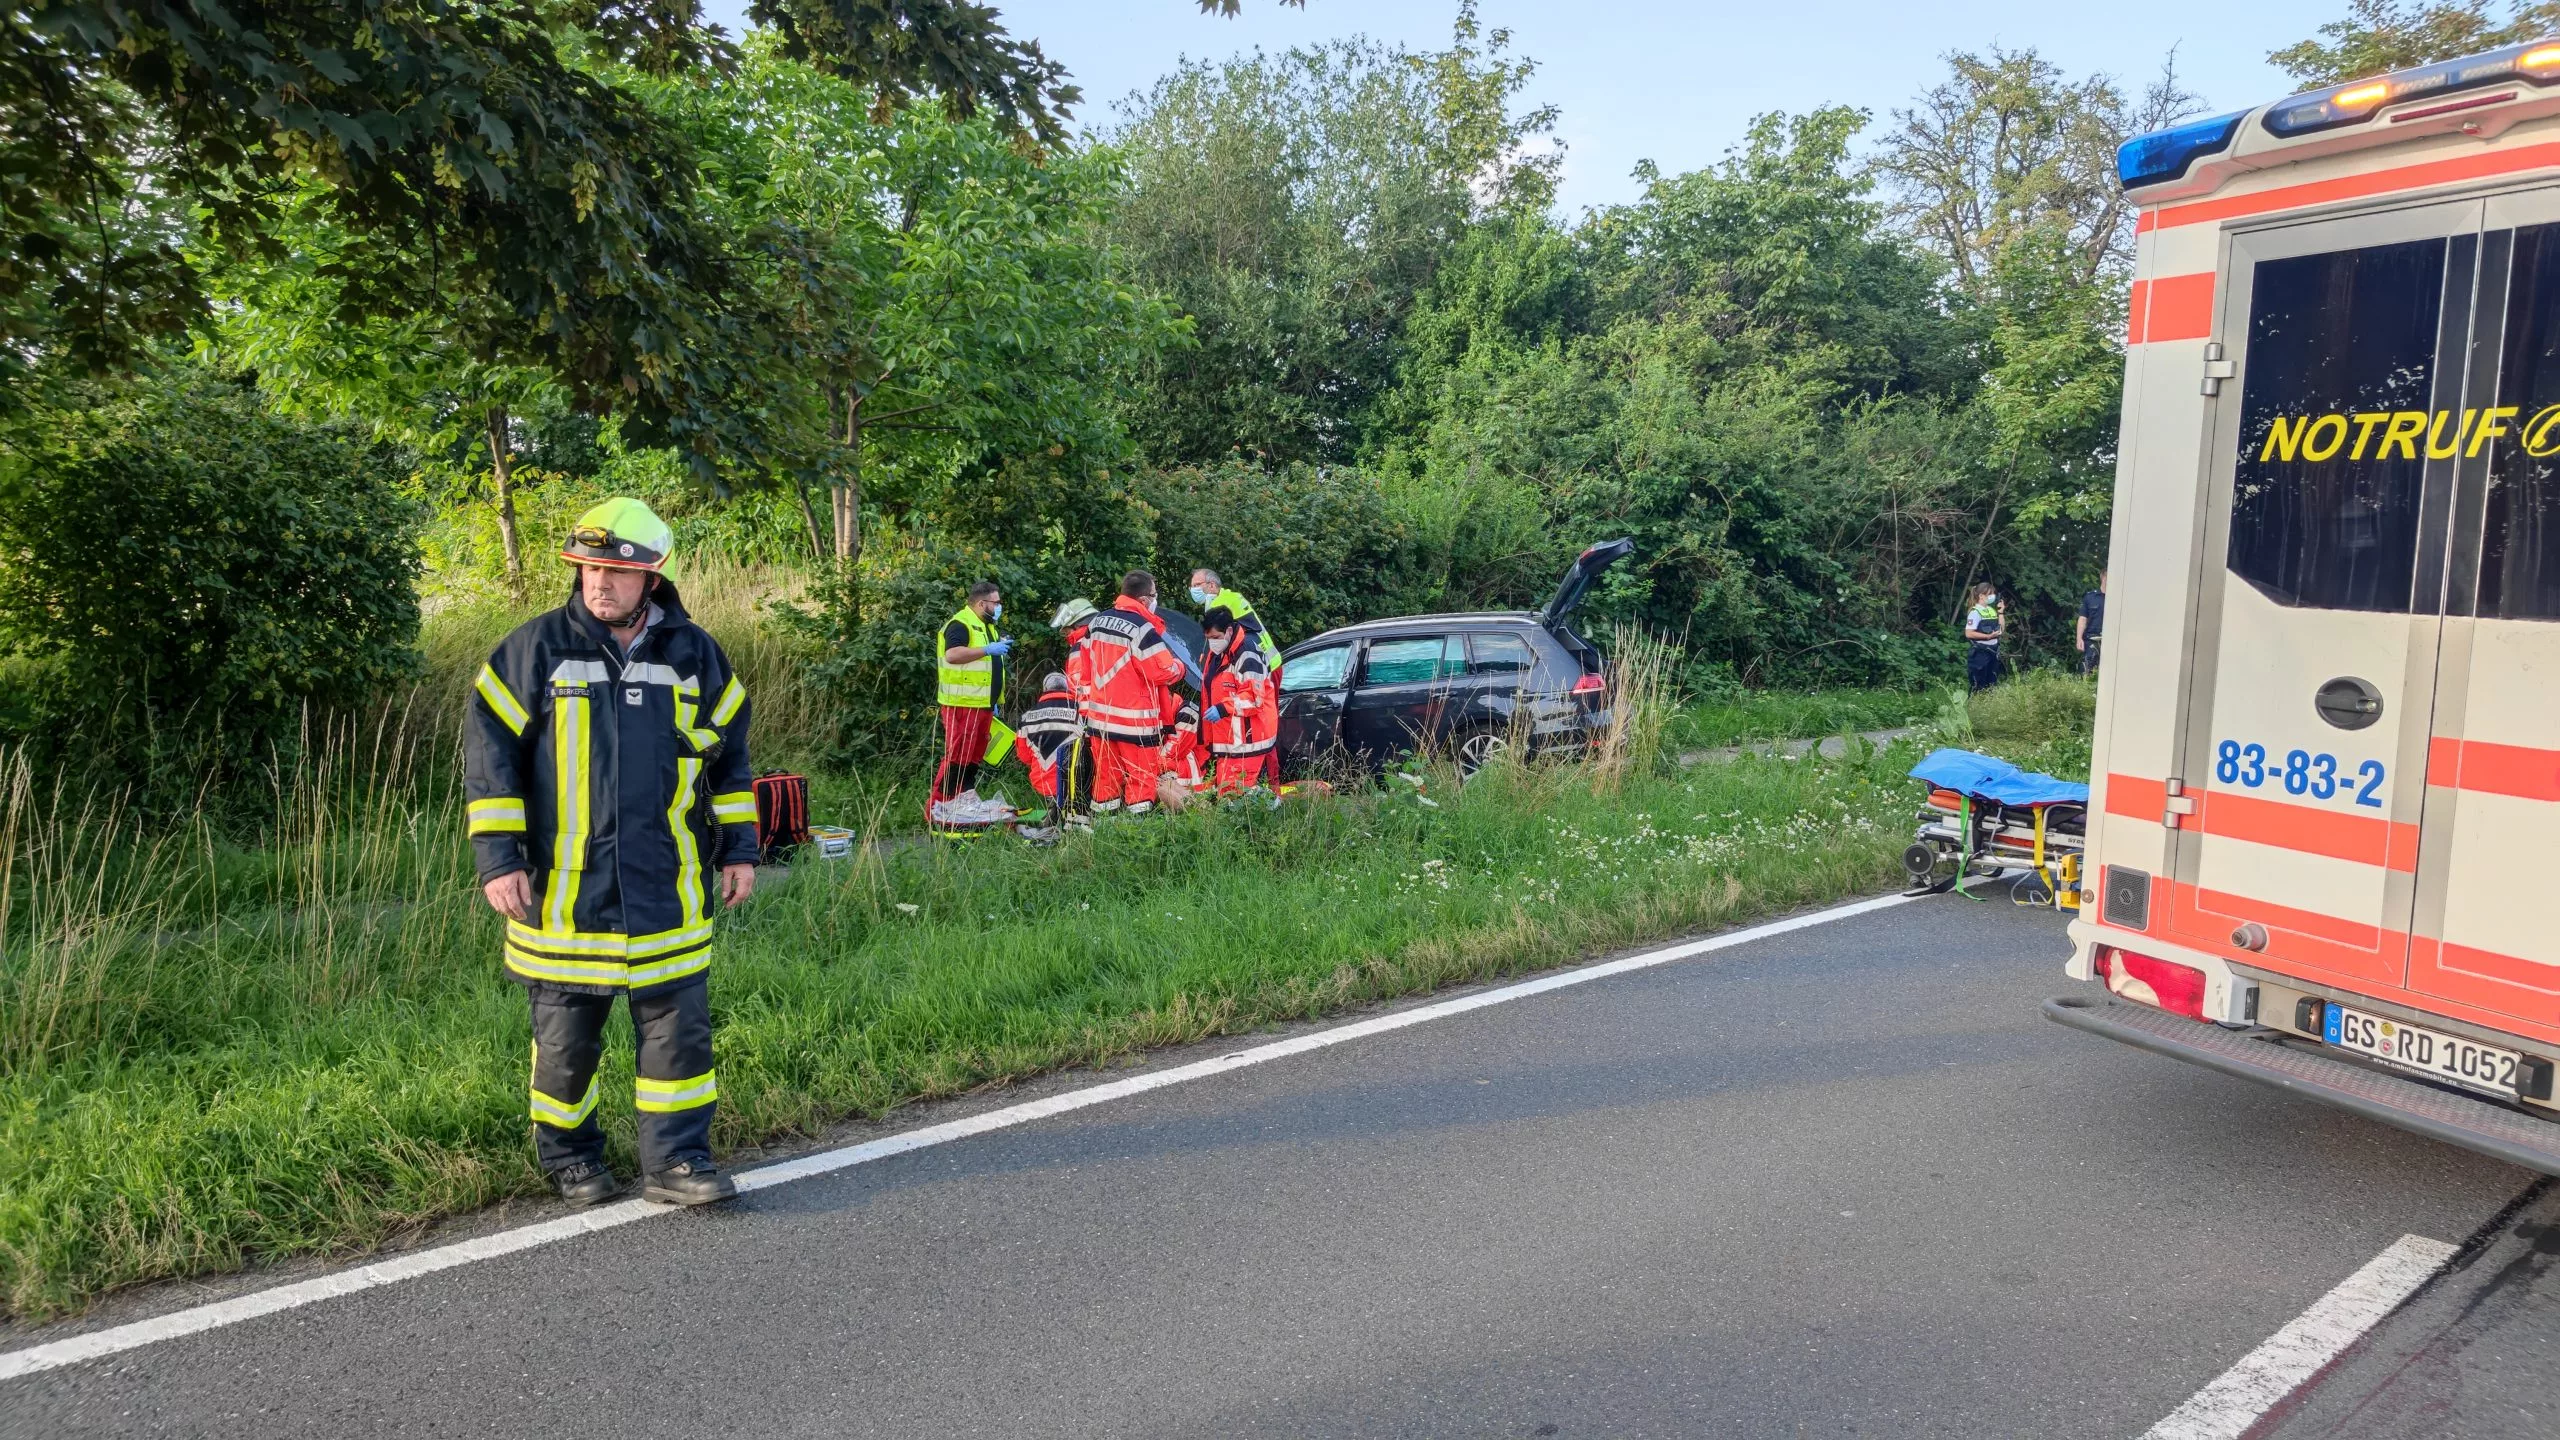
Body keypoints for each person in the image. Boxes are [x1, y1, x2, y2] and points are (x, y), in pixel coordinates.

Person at [466, 498, 757, 1208]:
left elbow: (730, 761)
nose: (600, 583)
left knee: (678, 1039)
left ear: (651, 578)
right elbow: (490, 761)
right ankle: (571, 1159)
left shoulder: (695, 655)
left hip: (668, 887)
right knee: (565, 1045)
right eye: (589, 569)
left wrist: (740, 849)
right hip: (564, 894)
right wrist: (499, 858)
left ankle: (678, 1162)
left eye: (618, 572)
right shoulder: (533, 651)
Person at [1068, 571, 1185, 816]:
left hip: (1100, 723)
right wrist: (1179, 666)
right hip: (1136, 725)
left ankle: (1105, 825)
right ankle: (1137, 828)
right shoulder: (1142, 629)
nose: (1155, 600)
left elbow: (1085, 673)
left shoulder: (1096, 623)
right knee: (1141, 779)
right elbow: (1163, 673)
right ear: (1143, 600)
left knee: (1105, 779)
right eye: (1154, 595)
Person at [933, 580, 1013, 829]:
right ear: (981, 603)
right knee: (958, 754)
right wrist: (987, 650)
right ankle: (939, 803)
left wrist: (994, 700)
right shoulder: (960, 624)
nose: (999, 607)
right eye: (995, 603)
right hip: (962, 703)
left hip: (983, 704)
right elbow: (952, 654)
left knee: (975, 755)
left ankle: (965, 796)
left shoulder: (987, 627)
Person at [1200, 605, 1278, 792]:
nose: (1212, 643)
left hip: (1248, 739)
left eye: (1216, 637)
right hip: (1231, 739)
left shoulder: (1247, 653)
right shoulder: (1220, 652)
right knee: (1229, 793)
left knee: (1235, 794)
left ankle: (1271, 803)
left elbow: (1254, 698)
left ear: (1229, 631)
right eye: (1208, 638)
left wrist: (1222, 708)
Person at [1013, 668, 1091, 822]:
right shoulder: (1080, 712)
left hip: (1043, 782)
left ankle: (1054, 809)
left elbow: (1024, 756)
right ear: (1067, 688)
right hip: (1077, 781)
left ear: (1045, 690)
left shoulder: (1027, 718)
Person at [1188, 568, 1281, 669]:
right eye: (1192, 586)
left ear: (1211, 585)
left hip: (1260, 666)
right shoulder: (1230, 596)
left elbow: (1220, 644)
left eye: (1197, 585)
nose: (1193, 589)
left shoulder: (1219, 605)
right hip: (1269, 659)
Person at [1963, 582, 2003, 693]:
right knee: (1978, 684)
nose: (1993, 596)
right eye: (1990, 594)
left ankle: (1989, 702)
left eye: (1993, 594)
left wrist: (2001, 613)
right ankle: (1974, 702)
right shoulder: (1975, 612)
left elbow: (2001, 629)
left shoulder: (1991, 610)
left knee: (1992, 684)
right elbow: (1969, 633)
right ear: (1981, 596)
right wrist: (1987, 636)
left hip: (1993, 650)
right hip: (1980, 652)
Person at [2077, 570, 2106, 676]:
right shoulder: (2090, 597)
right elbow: (2082, 619)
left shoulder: (2119, 598)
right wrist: (2079, 638)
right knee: (2087, 670)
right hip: (2092, 639)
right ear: (2103, 577)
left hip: (2112, 640)